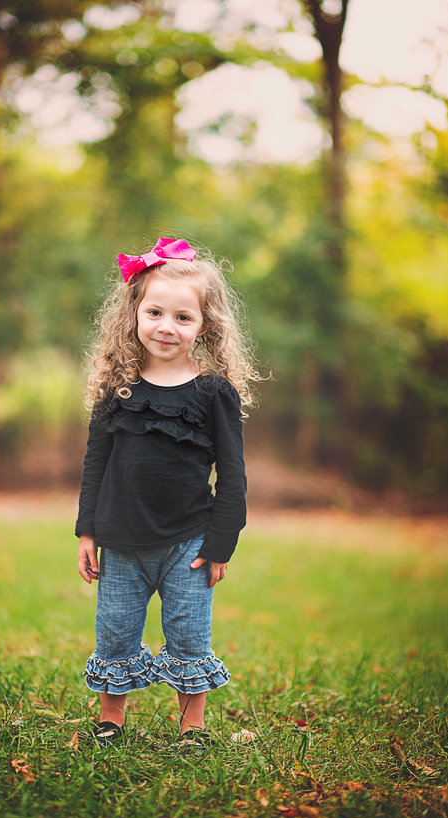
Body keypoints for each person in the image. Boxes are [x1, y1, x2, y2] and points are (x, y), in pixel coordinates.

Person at [76, 237, 257, 747]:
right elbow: (95, 464)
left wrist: (221, 542)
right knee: (115, 632)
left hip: (189, 543)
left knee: (189, 634)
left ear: (205, 326)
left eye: (183, 317)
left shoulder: (214, 393)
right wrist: (87, 531)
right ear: (134, 313)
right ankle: (111, 720)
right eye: (154, 312)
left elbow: (233, 474)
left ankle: (192, 727)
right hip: (121, 541)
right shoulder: (117, 388)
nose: (166, 326)